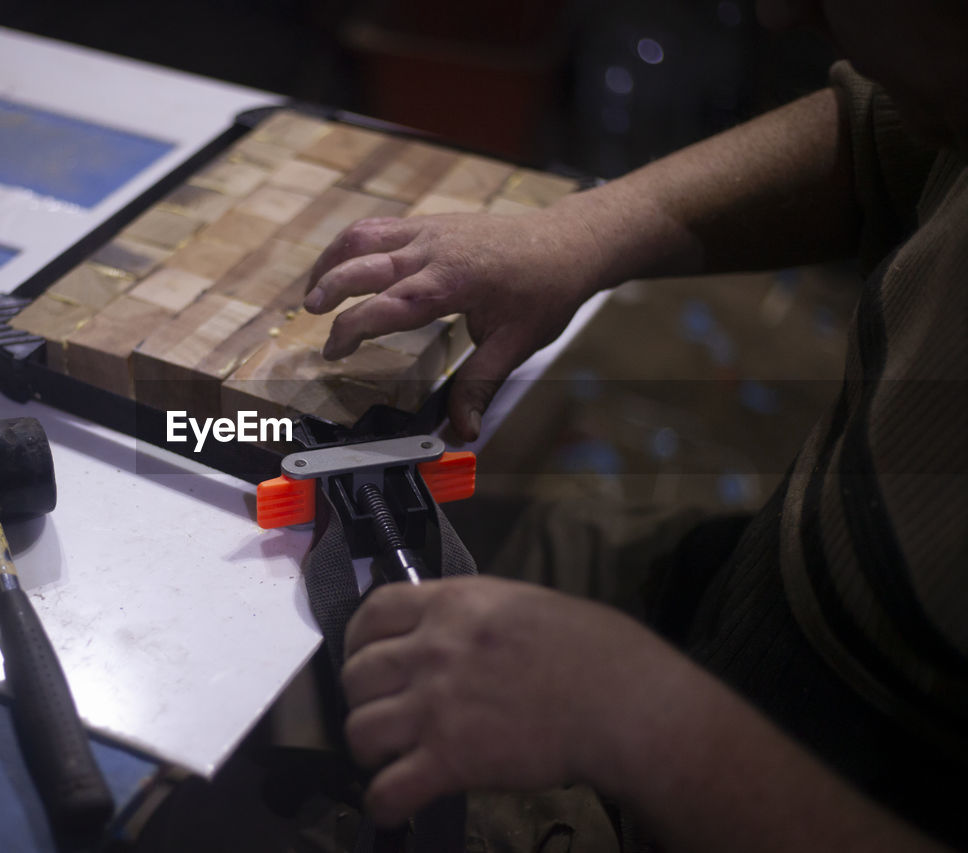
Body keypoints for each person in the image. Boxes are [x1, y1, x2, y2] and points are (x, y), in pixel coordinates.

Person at [301, 1, 967, 850]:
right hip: (734, 594)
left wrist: (647, 723)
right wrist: (579, 232)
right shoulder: (947, 78)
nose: (778, 12)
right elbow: (894, 124)